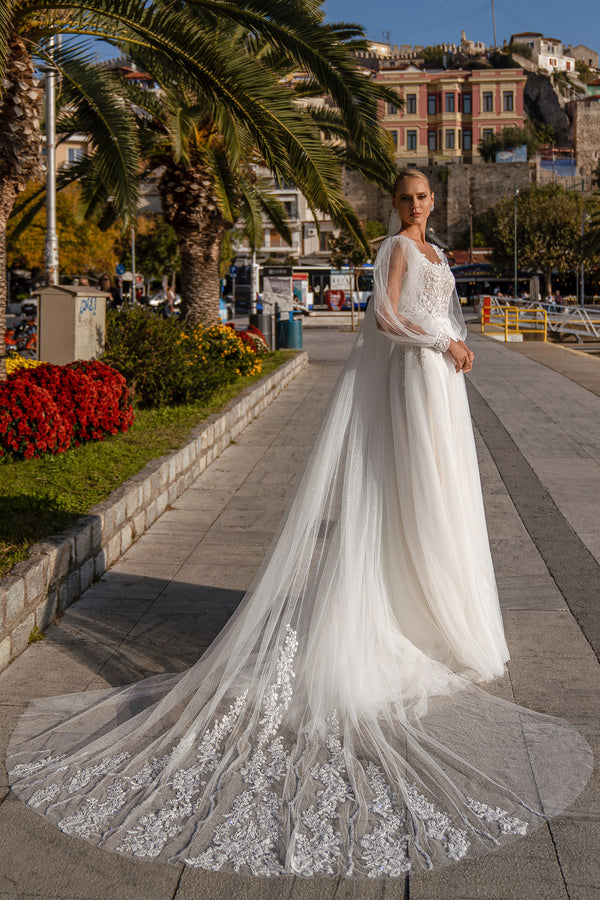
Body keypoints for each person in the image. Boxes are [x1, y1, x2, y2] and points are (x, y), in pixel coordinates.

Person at [6, 170, 591, 878]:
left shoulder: (437, 253)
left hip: (440, 386)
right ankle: (412, 611)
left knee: (447, 495)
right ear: (398, 203)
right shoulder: (396, 251)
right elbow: (385, 321)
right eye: (406, 197)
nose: (414, 206)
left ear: (435, 200)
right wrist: (440, 347)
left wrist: (450, 347)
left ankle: (441, 613)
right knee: (413, 492)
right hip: (417, 377)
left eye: (422, 197)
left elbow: (436, 315)